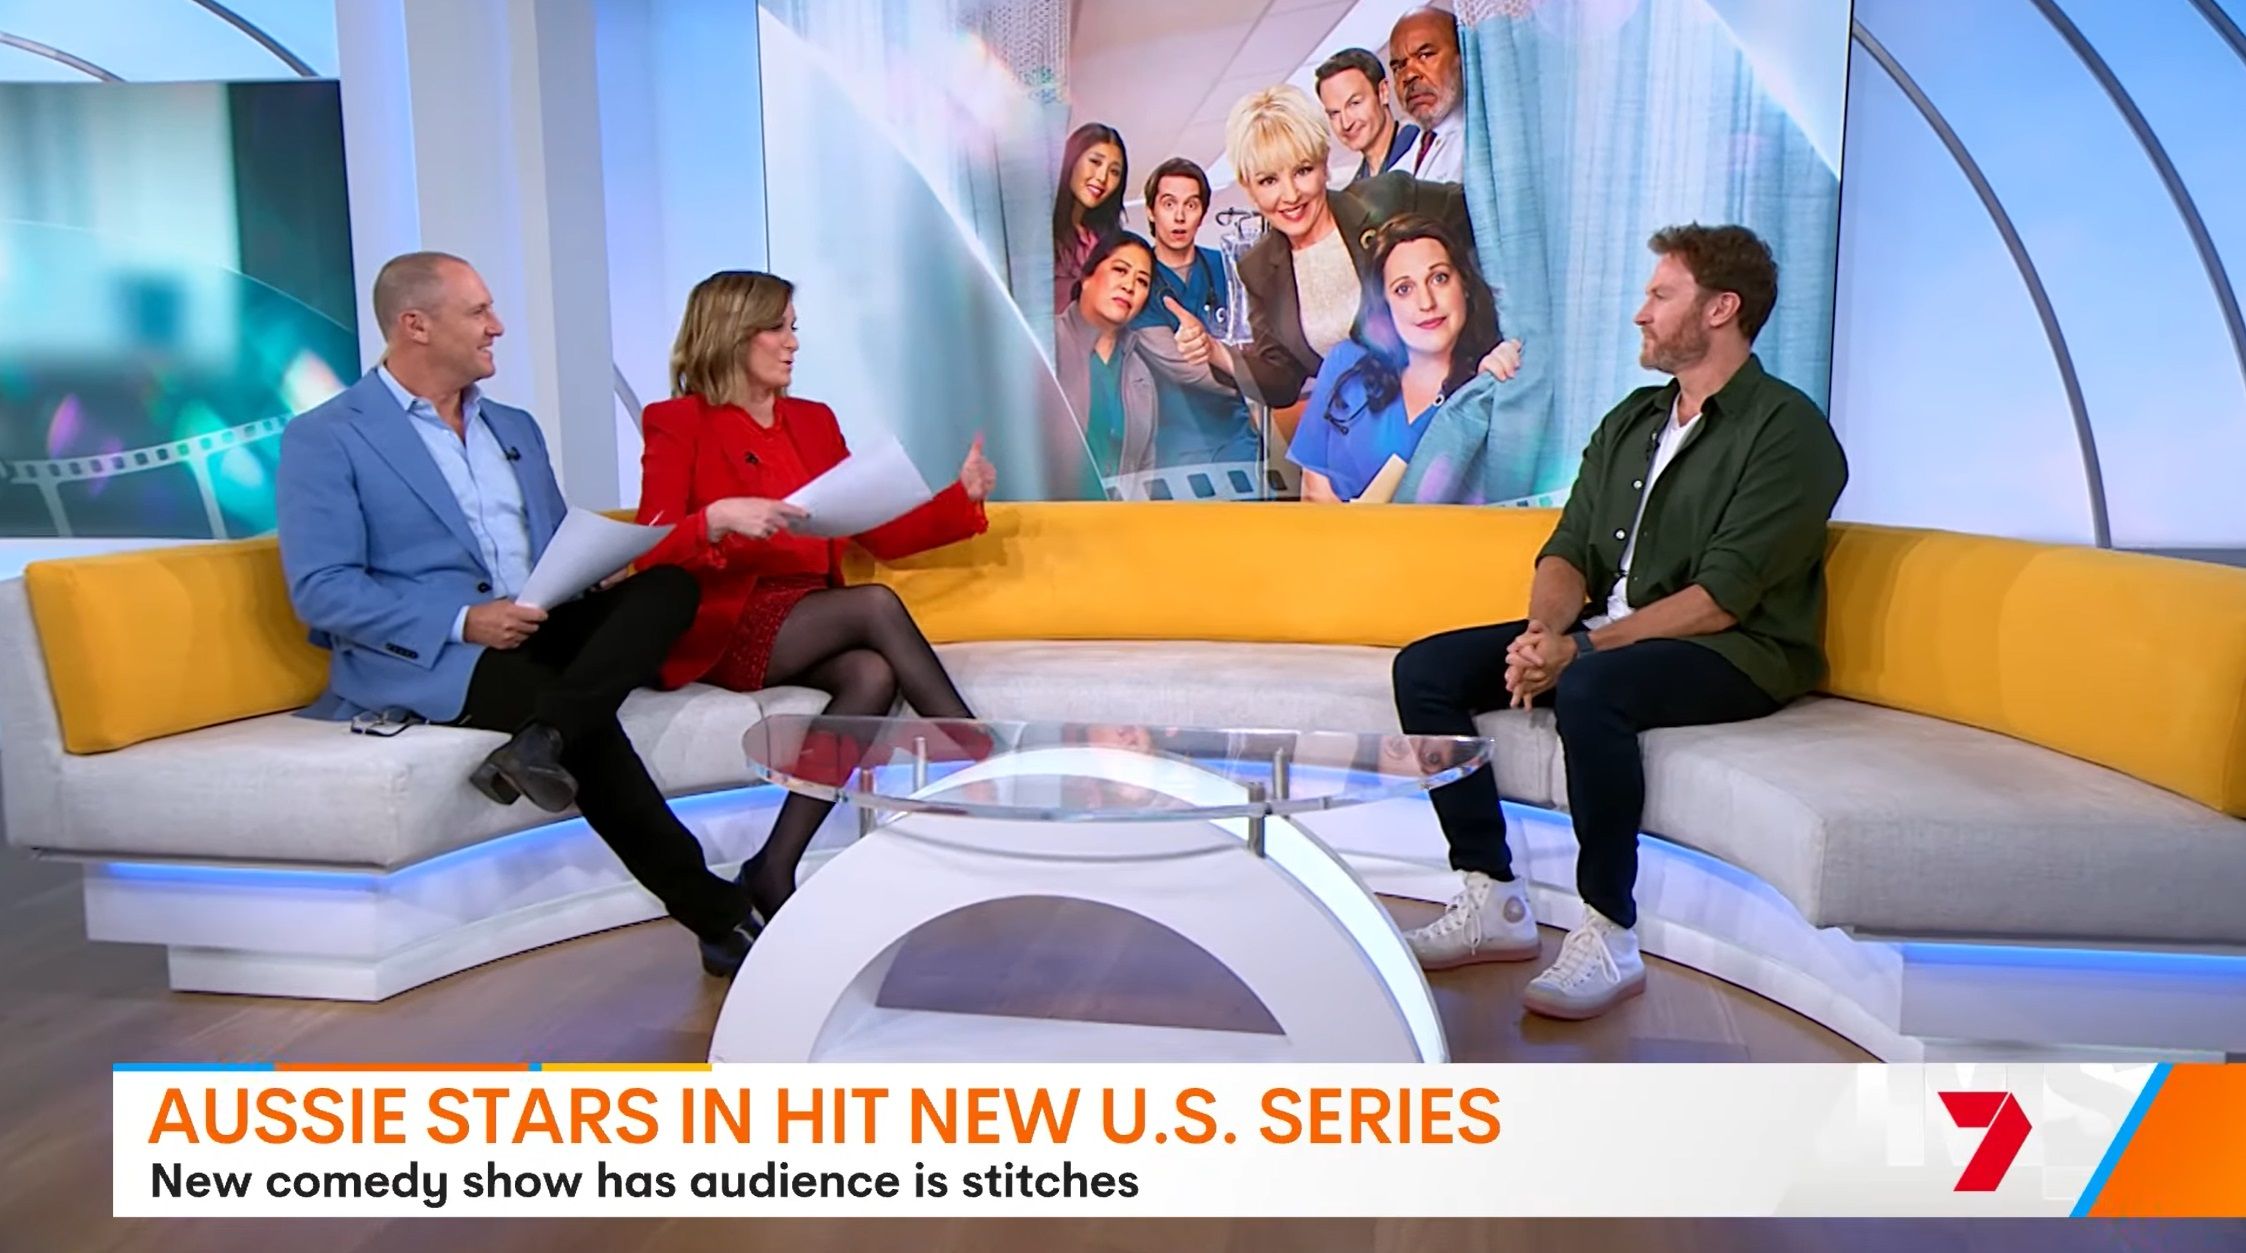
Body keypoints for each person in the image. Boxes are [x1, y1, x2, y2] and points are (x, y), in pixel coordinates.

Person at [1391, 224, 1848, 1021]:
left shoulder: (1788, 431)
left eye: (1661, 295)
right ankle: (1491, 893)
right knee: (1423, 670)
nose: (1641, 312)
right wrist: (1542, 635)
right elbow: (1569, 548)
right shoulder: (1635, 418)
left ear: (1721, 308)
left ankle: (1609, 929)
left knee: (1593, 687)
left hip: (1734, 650)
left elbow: (1722, 597)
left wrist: (1578, 651)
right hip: (1607, 633)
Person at [275, 251, 764, 979]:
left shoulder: (513, 426)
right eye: (478, 312)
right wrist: (463, 620)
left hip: (539, 622)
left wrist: (595, 568)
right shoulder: (329, 436)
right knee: (582, 723)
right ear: (415, 324)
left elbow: (554, 539)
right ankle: (718, 914)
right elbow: (323, 589)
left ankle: (543, 739)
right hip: (439, 653)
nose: (497, 326)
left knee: (668, 590)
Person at [636, 270, 997, 923]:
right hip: (729, 620)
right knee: (874, 606)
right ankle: (979, 762)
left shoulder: (812, 421)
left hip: (808, 616)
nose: (793, 343)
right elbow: (651, 548)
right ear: (734, 333)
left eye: (793, 328)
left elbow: (877, 530)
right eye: (777, 329)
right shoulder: (678, 422)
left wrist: (960, 499)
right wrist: (715, 519)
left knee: (871, 673)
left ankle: (773, 865)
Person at [1219, 85, 1476, 409]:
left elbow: (1482, 214)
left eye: (1303, 171)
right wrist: (1218, 355)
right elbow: (1282, 382)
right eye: (1269, 181)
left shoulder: (1389, 200)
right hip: (1364, 423)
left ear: (1324, 164)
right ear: (1249, 188)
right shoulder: (1257, 269)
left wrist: (1493, 344)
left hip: (1452, 402)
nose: (1291, 195)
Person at [1288, 215, 1516, 503]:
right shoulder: (1345, 364)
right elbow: (1314, 493)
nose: (1426, 303)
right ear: (1384, 304)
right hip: (1336, 532)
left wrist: (1488, 388)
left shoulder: (1482, 388)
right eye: (1404, 289)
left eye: (1439, 278)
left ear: (1465, 285)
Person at [1053, 232, 1234, 499]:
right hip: (1041, 518)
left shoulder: (1140, 376)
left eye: (1142, 281)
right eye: (1120, 270)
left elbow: (1141, 481)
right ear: (1087, 276)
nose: (1129, 286)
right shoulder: (1045, 342)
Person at [1133, 158, 1259, 471]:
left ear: (1202, 214)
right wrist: (1264, 378)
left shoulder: (1228, 267)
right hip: (1177, 449)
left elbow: (1262, 338)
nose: (1180, 216)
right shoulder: (1140, 280)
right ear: (1150, 211)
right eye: (1169, 204)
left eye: (1191, 205)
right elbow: (1186, 368)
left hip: (1239, 439)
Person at [1052, 123, 1129, 315]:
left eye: (1114, 172)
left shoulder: (1106, 240)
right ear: (1071, 159)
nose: (1102, 177)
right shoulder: (1042, 226)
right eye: (1095, 162)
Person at [1315, 47, 1418, 186]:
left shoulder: (1422, 149)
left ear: (1383, 92)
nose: (1346, 123)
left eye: (1354, 103)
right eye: (1334, 113)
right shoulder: (1357, 188)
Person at [1390, 8, 1469, 185]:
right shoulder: (1400, 169)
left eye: (1425, 55)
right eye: (1398, 67)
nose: (1408, 75)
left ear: (1461, 55)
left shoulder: (1484, 144)